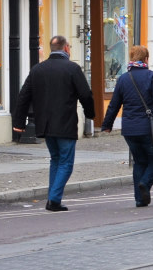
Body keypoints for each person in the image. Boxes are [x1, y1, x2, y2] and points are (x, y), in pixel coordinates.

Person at [13, 35, 95, 212]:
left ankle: (53, 197)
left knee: (56, 160)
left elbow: (23, 96)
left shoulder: (38, 69)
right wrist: (90, 114)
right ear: (66, 48)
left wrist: (19, 122)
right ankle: (54, 199)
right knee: (65, 162)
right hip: (65, 123)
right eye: (70, 47)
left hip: (46, 125)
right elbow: (86, 95)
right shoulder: (72, 68)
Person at [100, 45, 153, 207]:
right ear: (146, 59)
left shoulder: (123, 78)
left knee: (139, 162)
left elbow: (114, 104)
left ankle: (140, 199)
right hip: (148, 128)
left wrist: (107, 124)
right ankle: (145, 182)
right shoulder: (152, 76)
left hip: (129, 129)